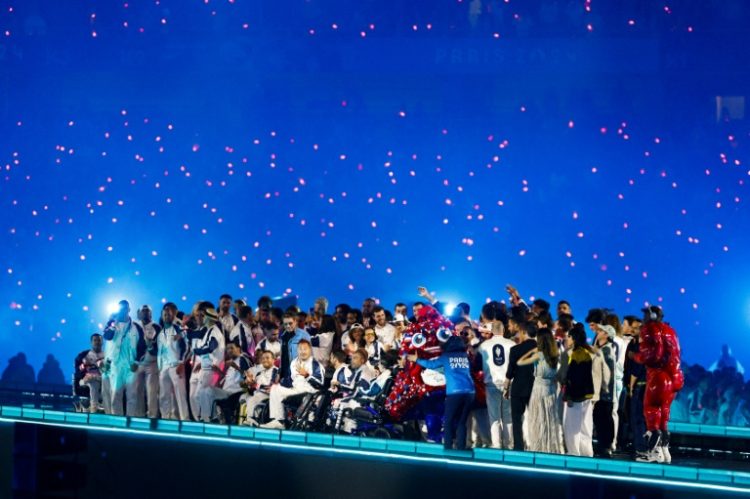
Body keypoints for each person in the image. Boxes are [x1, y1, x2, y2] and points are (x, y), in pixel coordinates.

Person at [633, 305, 683, 464]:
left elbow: (654, 354)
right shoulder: (671, 330)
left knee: (652, 410)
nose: (643, 318)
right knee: (664, 413)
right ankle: (664, 451)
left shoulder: (650, 329)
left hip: (659, 376)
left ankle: (654, 452)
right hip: (674, 376)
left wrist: (636, 356)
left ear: (652, 315)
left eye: (645, 314)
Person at [408, 334, 475, 450]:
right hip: (470, 392)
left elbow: (431, 364)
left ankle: (448, 448)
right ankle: (461, 449)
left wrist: (416, 360)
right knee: (461, 422)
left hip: (455, 392)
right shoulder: (465, 356)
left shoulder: (446, 356)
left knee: (448, 421)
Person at [558, 323, 608, 457]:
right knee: (586, 425)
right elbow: (605, 374)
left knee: (571, 425)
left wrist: (564, 389)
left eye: (568, 336)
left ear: (573, 338)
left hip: (573, 395)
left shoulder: (569, 354)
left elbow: (565, 376)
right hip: (590, 394)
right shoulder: (593, 352)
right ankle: (587, 452)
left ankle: (574, 451)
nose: (566, 339)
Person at [517, 328, 564, 453]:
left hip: (538, 390)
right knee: (550, 420)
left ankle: (539, 447)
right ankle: (550, 448)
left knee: (538, 420)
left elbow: (520, 362)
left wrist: (531, 351)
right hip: (551, 390)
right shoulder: (555, 355)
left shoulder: (539, 355)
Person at [261, 339, 324, 429]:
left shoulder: (316, 365)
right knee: (275, 388)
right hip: (295, 390)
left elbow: (320, 383)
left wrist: (306, 375)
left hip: (309, 391)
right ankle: (279, 421)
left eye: (305, 349)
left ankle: (304, 423)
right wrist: (279, 384)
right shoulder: (294, 363)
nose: (302, 351)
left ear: (310, 349)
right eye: (300, 349)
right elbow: (288, 380)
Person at [101, 300, 146, 416]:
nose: (123, 311)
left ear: (129, 309)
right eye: (120, 309)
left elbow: (142, 346)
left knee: (132, 395)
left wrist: (136, 361)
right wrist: (112, 324)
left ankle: (130, 420)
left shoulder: (136, 327)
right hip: (116, 365)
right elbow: (107, 336)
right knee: (116, 394)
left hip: (131, 366)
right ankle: (117, 421)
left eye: (125, 309)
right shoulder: (112, 324)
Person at [478, 320, 516, 449]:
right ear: (503, 330)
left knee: (494, 417)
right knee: (508, 416)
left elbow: (478, 365)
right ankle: (509, 445)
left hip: (491, 384)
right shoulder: (512, 344)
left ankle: (496, 445)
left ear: (491, 331)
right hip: (508, 384)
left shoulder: (483, 345)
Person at [189, 307, 225, 422]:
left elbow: (211, 346)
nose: (201, 318)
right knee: (201, 395)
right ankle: (209, 418)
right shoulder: (209, 330)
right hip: (207, 367)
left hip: (211, 368)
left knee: (202, 395)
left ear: (208, 318)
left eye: (203, 316)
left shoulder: (214, 331)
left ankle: (208, 420)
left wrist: (197, 351)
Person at [504, 321, 536, 451]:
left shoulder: (515, 349)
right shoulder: (541, 348)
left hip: (518, 387)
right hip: (535, 387)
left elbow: (510, 372)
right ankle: (535, 444)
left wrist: (506, 389)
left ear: (524, 332)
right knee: (535, 418)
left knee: (517, 419)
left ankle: (518, 446)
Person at [157, 302, 189, 421]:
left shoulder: (178, 329)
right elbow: (160, 352)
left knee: (180, 395)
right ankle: (165, 418)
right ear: (162, 316)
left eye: (169, 314)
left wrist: (181, 362)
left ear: (173, 315)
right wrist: (159, 367)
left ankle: (184, 419)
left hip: (176, 365)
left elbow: (186, 346)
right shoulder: (160, 334)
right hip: (163, 368)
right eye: (164, 314)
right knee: (164, 395)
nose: (166, 316)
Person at [205, 343, 252, 424]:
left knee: (209, 391)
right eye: (227, 349)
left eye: (232, 348)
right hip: (226, 391)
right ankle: (211, 418)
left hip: (236, 392)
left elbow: (248, 377)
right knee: (206, 391)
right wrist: (219, 372)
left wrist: (236, 367)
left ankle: (215, 419)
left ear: (238, 349)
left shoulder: (242, 359)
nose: (229, 350)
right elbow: (230, 379)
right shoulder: (231, 362)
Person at [592, 323, 617, 457]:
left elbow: (607, 373)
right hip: (601, 393)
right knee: (600, 419)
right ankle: (604, 445)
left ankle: (606, 446)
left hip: (604, 394)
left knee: (604, 420)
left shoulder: (607, 350)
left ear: (607, 335)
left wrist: (604, 390)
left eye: (601, 331)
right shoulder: (601, 349)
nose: (598, 332)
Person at [132, 304, 161, 418]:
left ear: (151, 313)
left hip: (152, 364)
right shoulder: (134, 326)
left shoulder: (156, 327)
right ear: (138, 314)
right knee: (137, 391)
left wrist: (151, 347)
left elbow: (160, 346)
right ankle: (139, 417)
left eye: (147, 311)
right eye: (143, 311)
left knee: (152, 392)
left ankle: (152, 417)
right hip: (138, 364)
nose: (145, 313)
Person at [243, 350, 278, 426]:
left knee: (255, 398)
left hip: (269, 395)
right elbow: (253, 387)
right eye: (263, 358)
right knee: (247, 396)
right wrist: (250, 382)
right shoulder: (260, 373)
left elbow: (270, 386)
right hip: (258, 394)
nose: (265, 360)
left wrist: (255, 385)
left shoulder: (276, 371)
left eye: (267, 358)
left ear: (273, 360)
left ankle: (251, 420)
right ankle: (252, 420)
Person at [278, 312, 312, 385]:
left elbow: (311, 355)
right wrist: (279, 373)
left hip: (298, 373)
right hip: (285, 374)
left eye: (290, 323)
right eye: (285, 324)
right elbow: (282, 356)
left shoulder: (304, 335)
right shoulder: (282, 336)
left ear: (295, 322)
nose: (288, 326)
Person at [78, 334, 105, 413]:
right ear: (91, 342)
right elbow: (80, 370)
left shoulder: (106, 355)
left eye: (99, 340)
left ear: (102, 342)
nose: (97, 342)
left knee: (97, 381)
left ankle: (101, 406)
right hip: (86, 379)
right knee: (93, 382)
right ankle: (94, 408)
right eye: (95, 340)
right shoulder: (86, 355)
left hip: (101, 378)